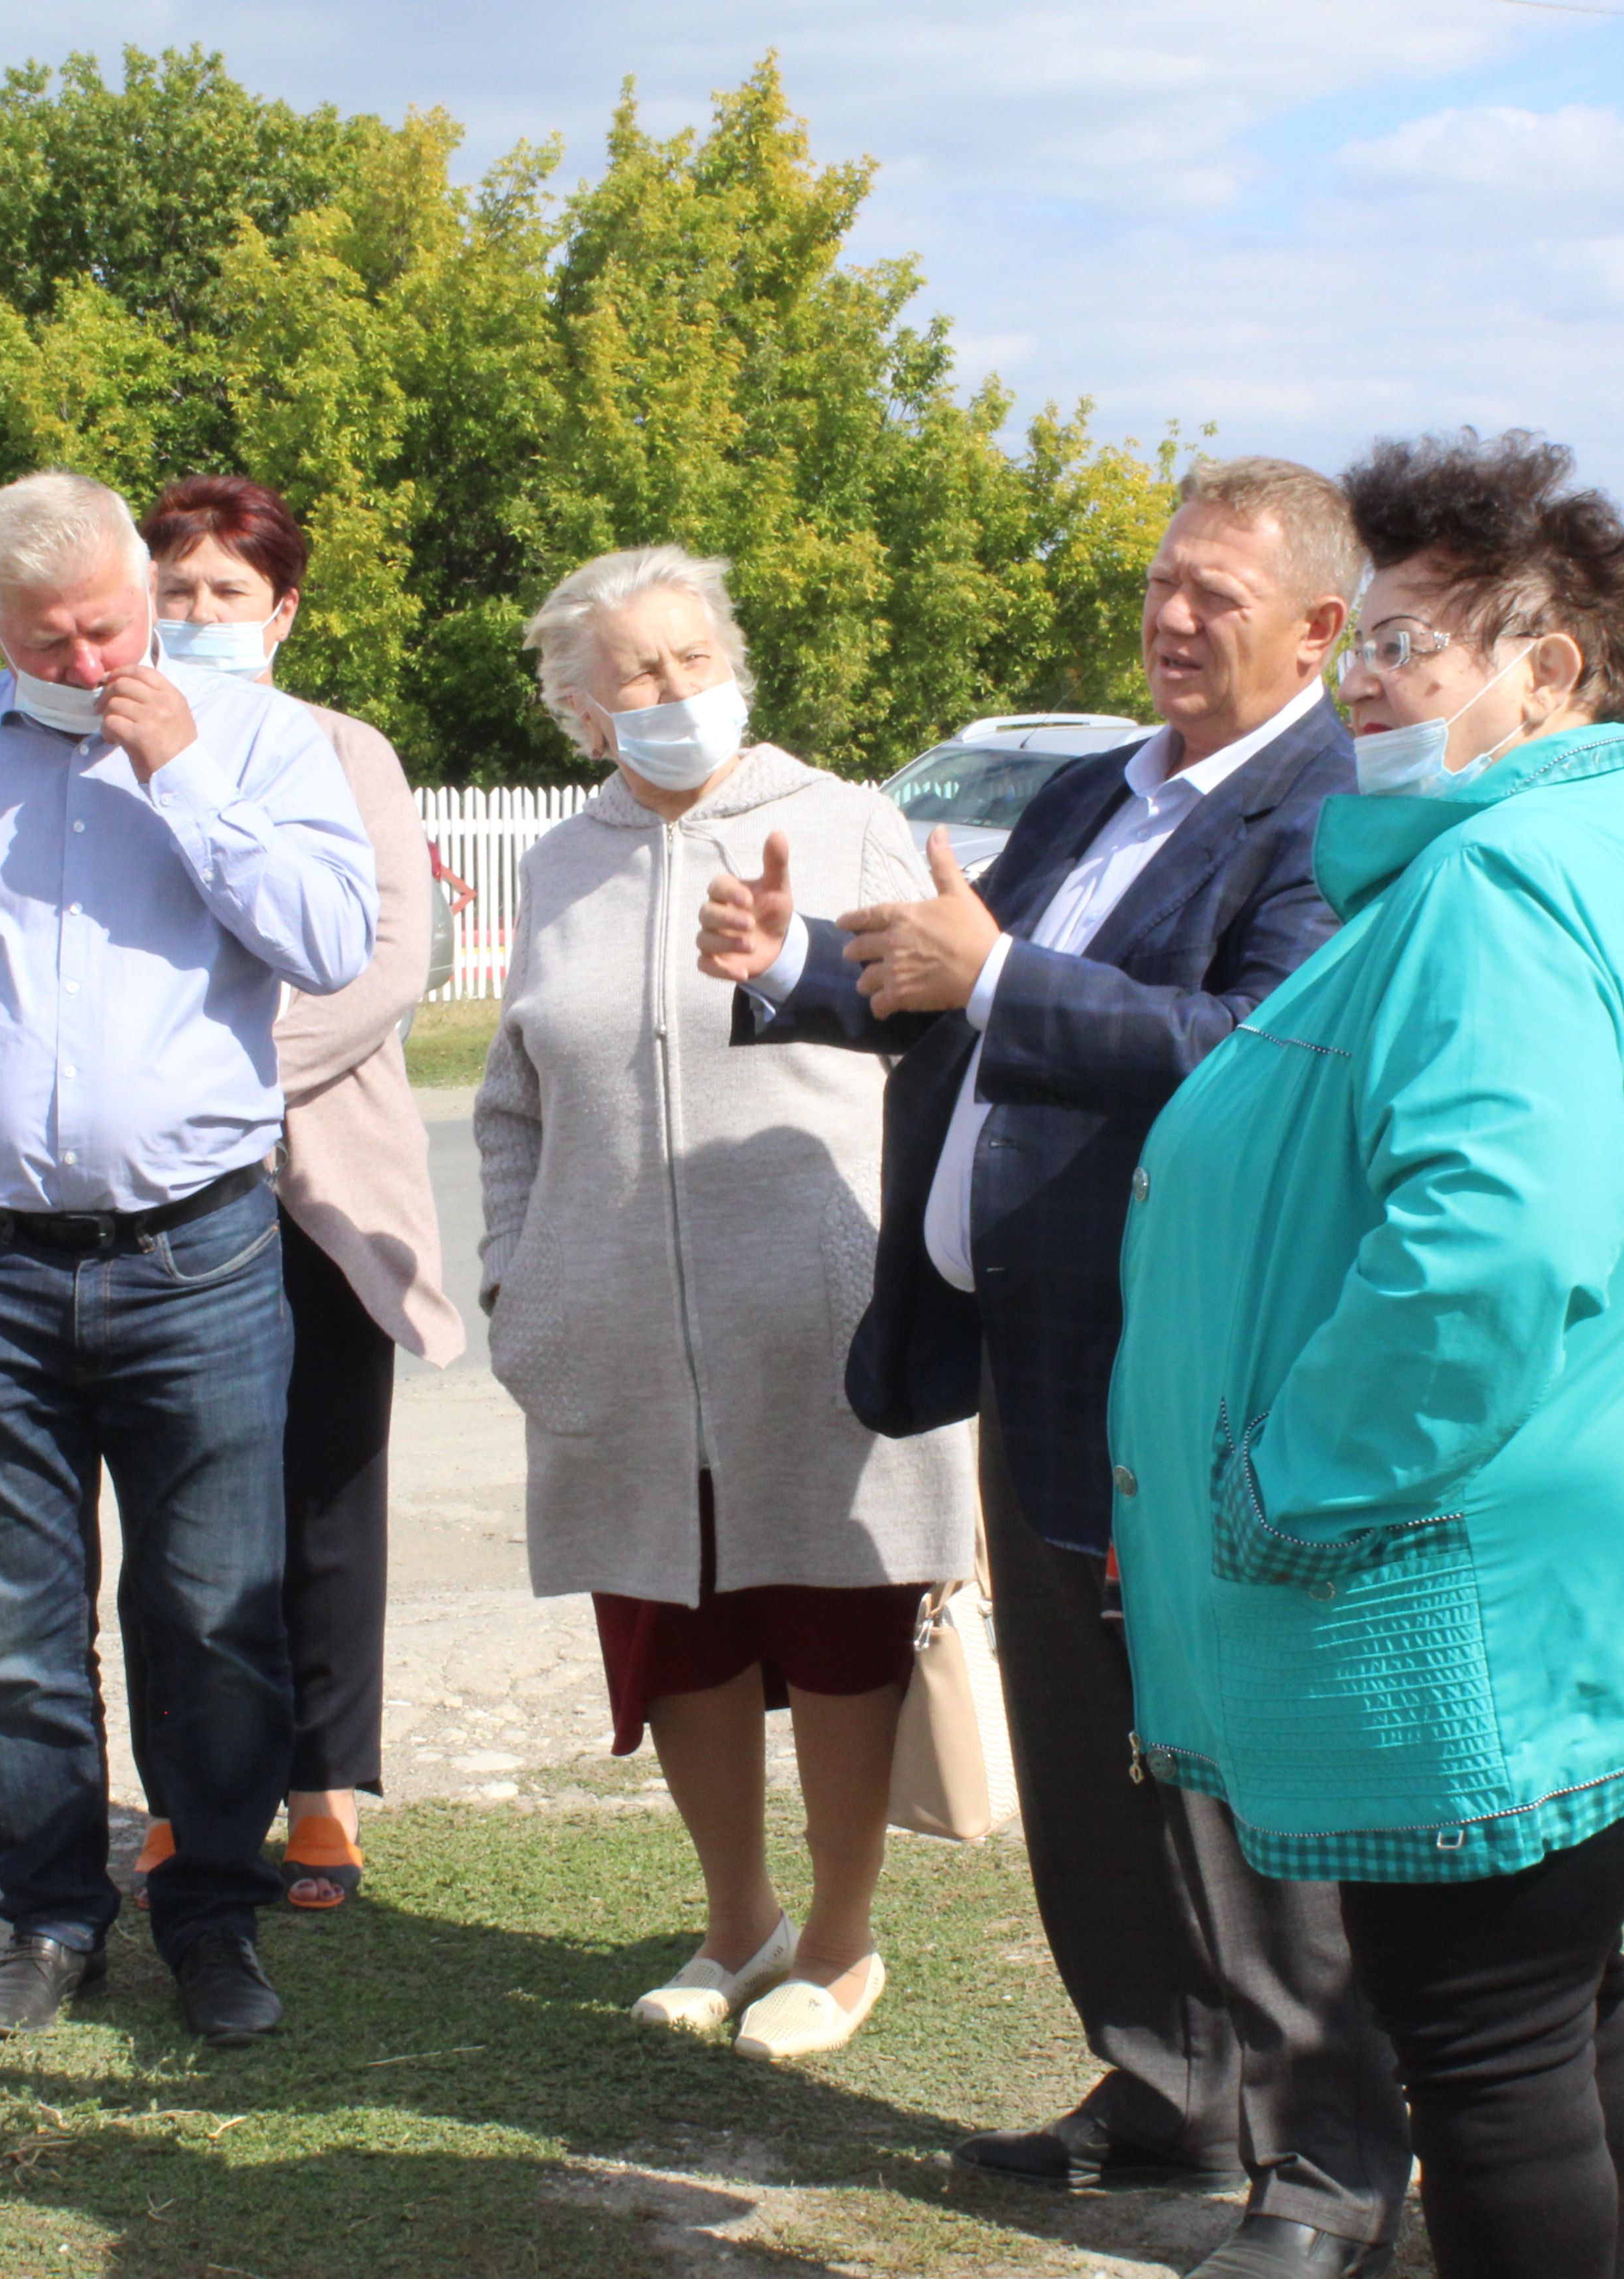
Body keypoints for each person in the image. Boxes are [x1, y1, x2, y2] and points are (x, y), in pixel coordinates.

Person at [1103, 431, 1624, 2279]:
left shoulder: (1503, 884)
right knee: (1555, 2006)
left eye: (1410, 640)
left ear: (1546, 669)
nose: (1365, 679)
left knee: (1482, 2045)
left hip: (1486, 1552)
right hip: (1591, 1520)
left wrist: (1294, 1477)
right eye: (1368, 638)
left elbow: (1485, 1249)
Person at [699, 458, 1410, 2277]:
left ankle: (1327, 2173)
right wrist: (794, 967)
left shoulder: (1327, 818)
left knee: (1232, 1774)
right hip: (1035, 1352)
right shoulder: (1105, 785)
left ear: (1322, 631)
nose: (1173, 620)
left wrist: (999, 973)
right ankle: (1167, 2093)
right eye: (1164, 583)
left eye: (1219, 598)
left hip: (1180, 1370)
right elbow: (953, 974)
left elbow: (1251, 1048)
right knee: (1089, 1757)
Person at [0, 469, 376, 2048]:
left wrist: (185, 777)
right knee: (13, 1629)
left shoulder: (261, 740)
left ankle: (211, 1919)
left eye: (108, 628)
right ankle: (50, 1920)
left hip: (197, 1253)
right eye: (45, 642)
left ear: (146, 588)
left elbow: (333, 943)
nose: (85, 664)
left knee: (214, 1620)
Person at [477, 543, 974, 2062]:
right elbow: (512, 1103)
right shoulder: (557, 862)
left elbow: (942, 1041)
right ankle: (736, 1917)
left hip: (820, 1319)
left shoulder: (850, 823)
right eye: (639, 671)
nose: (677, 689)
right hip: (613, 1328)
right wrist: (518, 1278)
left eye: (695, 656)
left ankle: (838, 1939)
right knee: (673, 1633)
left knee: (833, 1626)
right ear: (581, 709)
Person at [131, 473, 464, 1914]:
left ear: (284, 612)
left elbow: (388, 961)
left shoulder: (342, 748)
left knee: (325, 1488)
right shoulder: (107, 751)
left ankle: (323, 1786)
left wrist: (212, 1087)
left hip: (312, 1183)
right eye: (177, 591)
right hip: (147, 1191)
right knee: (173, 1509)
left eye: (227, 594)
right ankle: (185, 1790)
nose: (199, 617)